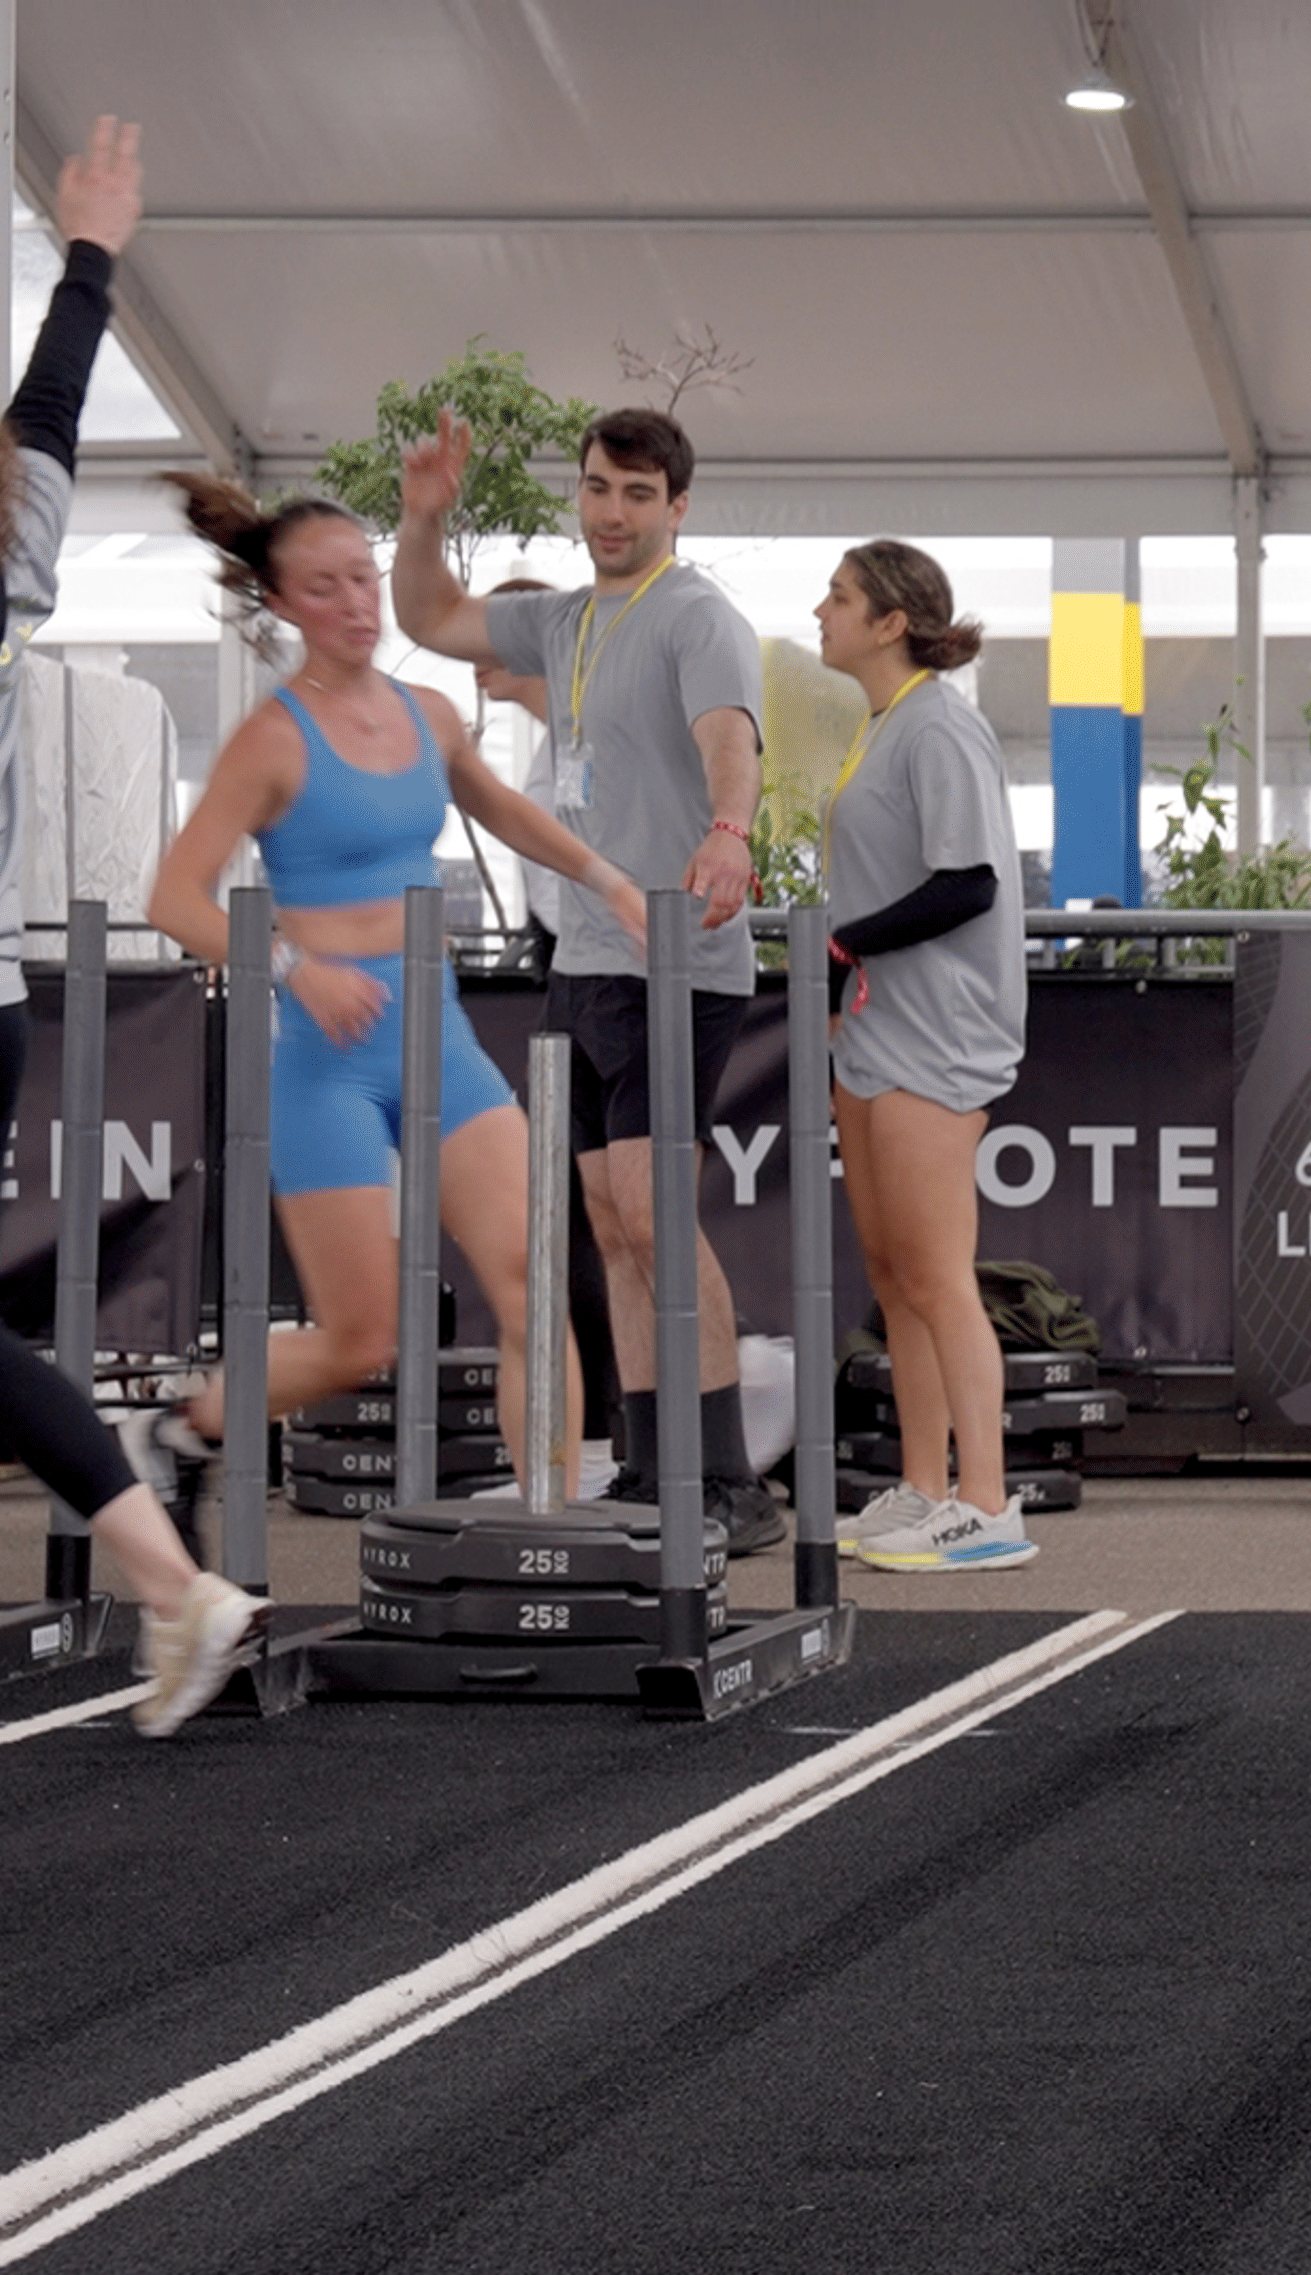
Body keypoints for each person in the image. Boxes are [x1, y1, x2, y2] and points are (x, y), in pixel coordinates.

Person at [139, 479, 643, 1582]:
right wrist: (291, 965)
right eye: (325, 587)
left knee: (533, 1281)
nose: (359, 603)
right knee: (362, 1338)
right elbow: (171, 897)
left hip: (440, 1039)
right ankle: (182, 1430)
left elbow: (500, 806)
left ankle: (550, 1547)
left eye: (364, 576)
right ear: (283, 604)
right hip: (324, 1058)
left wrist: (605, 876)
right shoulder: (271, 741)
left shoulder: (432, 717)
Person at [0, 121, 254, 1733]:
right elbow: (52, 412)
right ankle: (176, 1584)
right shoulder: (7, 574)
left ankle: (176, 1585)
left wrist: (91, 254)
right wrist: (89, 260)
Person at [388, 404, 784, 1552]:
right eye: (600, 489)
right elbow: (429, 614)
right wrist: (422, 518)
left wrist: (727, 828)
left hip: (679, 949)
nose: (613, 513)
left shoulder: (698, 615)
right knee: (608, 1222)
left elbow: (730, 738)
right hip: (588, 954)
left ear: (677, 508)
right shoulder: (566, 621)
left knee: (659, 1213)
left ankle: (726, 1478)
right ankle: (653, 1461)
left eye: (637, 496)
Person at [809, 539, 1032, 1573]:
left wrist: (847, 943)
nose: (823, 609)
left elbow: (969, 883)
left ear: (891, 621)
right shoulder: (886, 723)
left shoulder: (943, 725)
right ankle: (925, 1486)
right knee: (895, 1275)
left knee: (939, 1276)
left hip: (938, 1033)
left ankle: (988, 1503)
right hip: (876, 1029)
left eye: (841, 596)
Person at [473, 574, 623, 1496]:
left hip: (599, 989)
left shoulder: (582, 737)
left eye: (491, 638)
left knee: (581, 1227)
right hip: (572, 986)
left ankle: (596, 1444)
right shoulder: (554, 743)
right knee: (563, 1226)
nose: (476, 657)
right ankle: (579, 1449)